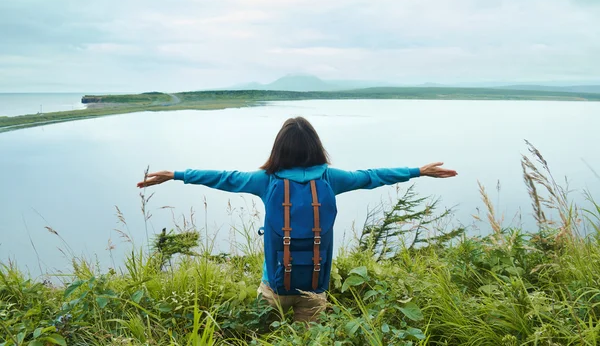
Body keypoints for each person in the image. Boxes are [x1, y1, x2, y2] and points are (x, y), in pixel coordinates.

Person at [137, 116, 457, 322]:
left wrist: (177, 175)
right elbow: (372, 176)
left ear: (279, 149)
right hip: (315, 290)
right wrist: (418, 171)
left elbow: (224, 177)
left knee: (268, 337)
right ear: (317, 148)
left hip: (273, 288)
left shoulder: (267, 180)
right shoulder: (331, 179)